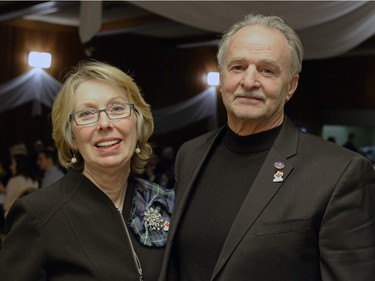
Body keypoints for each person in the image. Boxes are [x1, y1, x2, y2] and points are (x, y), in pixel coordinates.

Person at [158, 14, 375, 281]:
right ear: (222, 76)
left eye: (267, 70)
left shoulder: (339, 172)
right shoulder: (190, 154)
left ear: (291, 86)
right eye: (237, 67)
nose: (249, 82)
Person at [0, 60, 175, 280]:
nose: (104, 123)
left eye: (117, 108)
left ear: (137, 122)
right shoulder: (38, 215)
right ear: (71, 136)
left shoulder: (164, 202)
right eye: (87, 114)